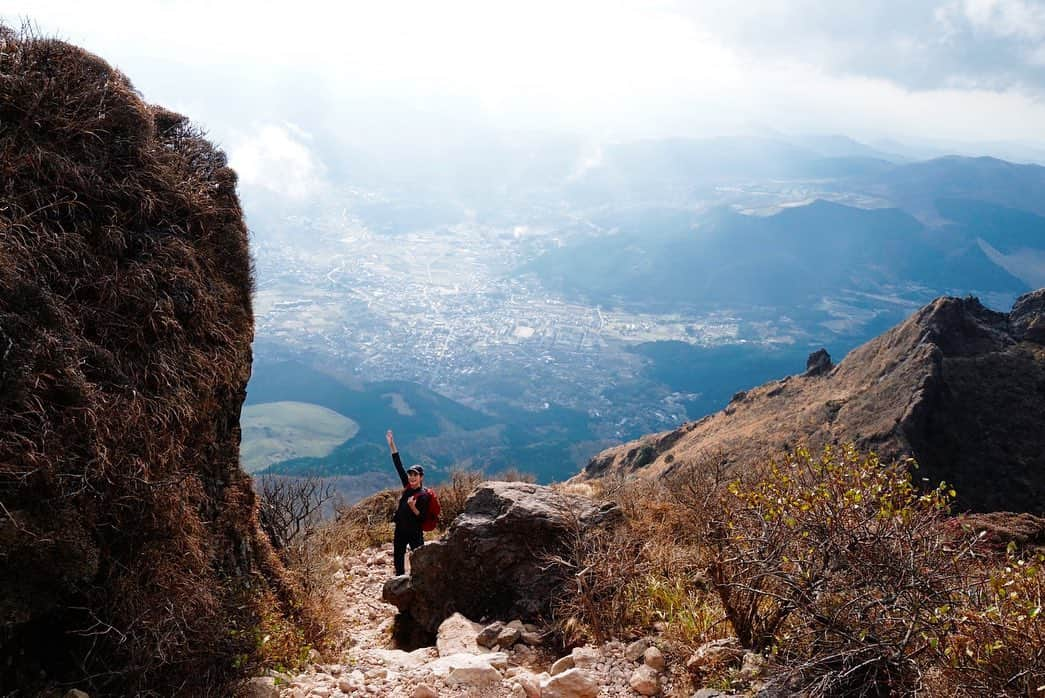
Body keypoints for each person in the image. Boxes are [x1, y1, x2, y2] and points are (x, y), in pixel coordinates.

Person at [386, 429, 430, 576]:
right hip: (400, 529)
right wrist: (392, 444)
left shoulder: (423, 495)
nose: (411, 478)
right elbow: (398, 465)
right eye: (410, 475)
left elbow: (422, 517)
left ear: (421, 477)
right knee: (398, 558)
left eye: (415, 475)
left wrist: (412, 507)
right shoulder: (407, 486)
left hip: (414, 532)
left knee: (419, 559)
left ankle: (422, 583)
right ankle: (398, 585)